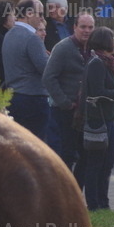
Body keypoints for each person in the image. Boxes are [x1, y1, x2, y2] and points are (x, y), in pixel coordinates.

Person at [82, 26, 114, 211]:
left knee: (107, 164)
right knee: (96, 164)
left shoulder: (107, 62)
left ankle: (104, 202)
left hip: (107, 119)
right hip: (99, 121)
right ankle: (94, 204)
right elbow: (97, 93)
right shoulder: (97, 63)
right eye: (112, 39)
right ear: (105, 42)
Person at [42, 12, 95, 179]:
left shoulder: (94, 49)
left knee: (86, 155)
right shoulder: (63, 48)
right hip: (65, 112)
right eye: (83, 27)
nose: (87, 31)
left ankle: (77, 191)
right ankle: (63, 191)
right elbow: (48, 78)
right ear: (74, 27)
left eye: (90, 27)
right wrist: (65, 102)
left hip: (86, 112)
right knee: (67, 155)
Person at [2, 0, 51, 141]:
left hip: (13, 98)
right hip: (33, 99)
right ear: (29, 13)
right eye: (40, 14)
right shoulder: (32, 38)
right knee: (36, 147)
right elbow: (46, 69)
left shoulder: (9, 34)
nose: (42, 19)